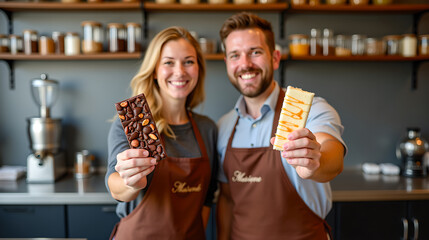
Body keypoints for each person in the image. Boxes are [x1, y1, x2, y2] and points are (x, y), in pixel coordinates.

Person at [216, 12, 347, 240]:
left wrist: (315, 162)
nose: (245, 64)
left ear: (275, 58)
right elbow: (227, 199)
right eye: (235, 55)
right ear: (227, 63)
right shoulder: (224, 126)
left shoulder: (310, 110)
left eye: (255, 52)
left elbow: (332, 157)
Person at [105, 26, 218, 240]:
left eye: (188, 61)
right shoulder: (136, 124)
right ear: (155, 70)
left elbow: (207, 199)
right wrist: (131, 181)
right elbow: (115, 186)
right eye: (168, 62)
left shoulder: (207, 129)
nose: (180, 71)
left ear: (198, 69)